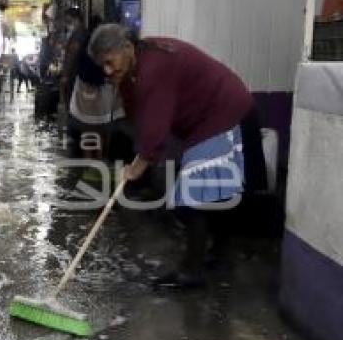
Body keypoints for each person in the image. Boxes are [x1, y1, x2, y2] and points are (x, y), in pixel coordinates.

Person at [88, 24, 267, 289]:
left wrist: (138, 165)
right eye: (102, 66)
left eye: (110, 62)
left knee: (193, 195)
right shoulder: (137, 61)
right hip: (212, 115)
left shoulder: (154, 67)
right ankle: (219, 255)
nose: (107, 70)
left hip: (225, 111)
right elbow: (139, 113)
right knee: (216, 193)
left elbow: (155, 129)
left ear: (127, 47)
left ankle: (190, 272)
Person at [68, 15, 127, 162]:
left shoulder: (87, 42)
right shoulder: (102, 47)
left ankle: (91, 161)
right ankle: (100, 159)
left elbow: (76, 60)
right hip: (100, 86)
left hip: (87, 86)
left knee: (88, 127)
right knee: (102, 127)